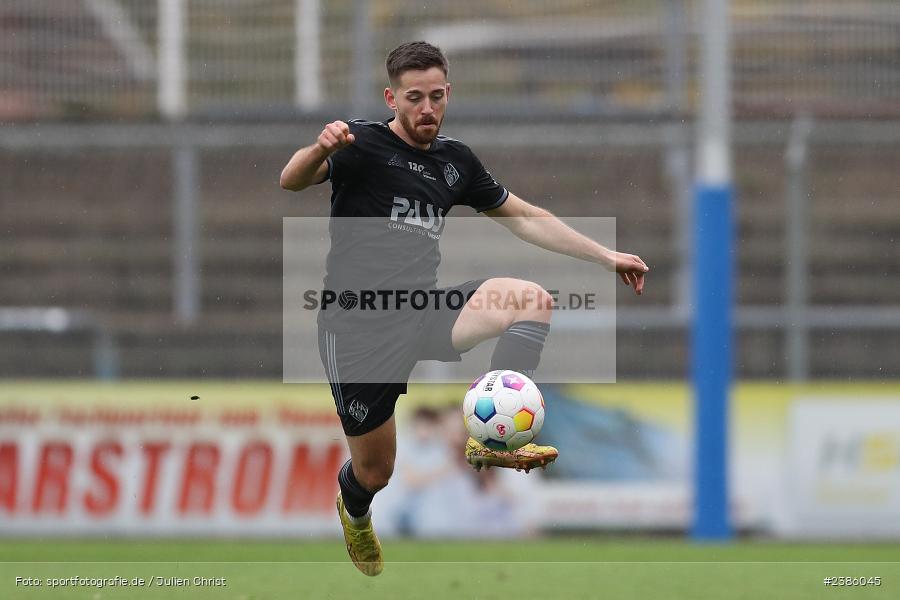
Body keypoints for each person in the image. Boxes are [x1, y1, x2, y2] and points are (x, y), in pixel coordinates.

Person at [280, 41, 648, 576]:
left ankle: (496, 438)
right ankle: (354, 508)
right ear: (392, 98)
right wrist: (320, 149)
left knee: (531, 300)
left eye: (436, 96)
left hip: (424, 311)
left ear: (448, 93)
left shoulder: (455, 162)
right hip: (356, 328)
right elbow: (290, 179)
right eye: (414, 98)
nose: (427, 108)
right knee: (376, 472)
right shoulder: (360, 145)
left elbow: (525, 216)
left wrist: (604, 255)